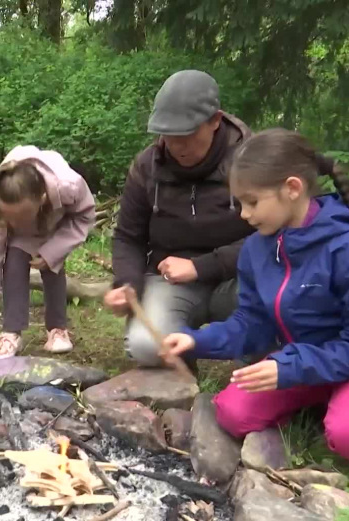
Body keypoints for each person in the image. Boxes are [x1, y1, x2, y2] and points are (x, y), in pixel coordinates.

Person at [162, 129, 349, 465]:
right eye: (239, 203)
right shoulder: (258, 249)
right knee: (232, 413)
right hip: (308, 363)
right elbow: (251, 322)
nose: (243, 214)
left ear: (292, 188)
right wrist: (196, 341)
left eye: (252, 202)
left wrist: (289, 366)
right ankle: (327, 404)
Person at [103, 70, 254, 370]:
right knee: (147, 346)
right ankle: (183, 362)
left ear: (215, 121)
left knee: (274, 313)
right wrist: (127, 283)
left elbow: (276, 237)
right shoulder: (147, 167)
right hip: (171, 281)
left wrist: (202, 266)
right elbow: (128, 237)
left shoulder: (252, 160)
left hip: (242, 277)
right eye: (168, 136)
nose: (176, 146)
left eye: (186, 136)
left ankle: (253, 369)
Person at [0, 145, 96, 362]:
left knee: (52, 264)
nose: (14, 223)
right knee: (14, 261)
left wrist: (54, 250)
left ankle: (57, 328)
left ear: (42, 198)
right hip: (22, 232)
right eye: (10, 218)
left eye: (21, 216)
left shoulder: (69, 187)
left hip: (57, 221)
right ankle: (11, 332)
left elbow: (84, 216)